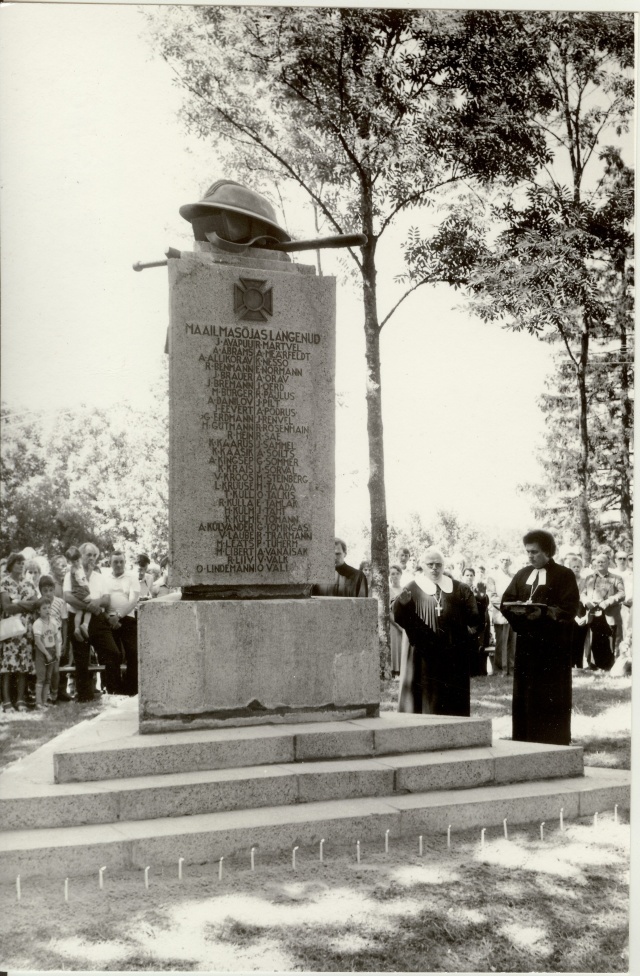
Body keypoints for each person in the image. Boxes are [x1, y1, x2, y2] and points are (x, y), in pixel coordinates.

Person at [501, 529, 579, 746]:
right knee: (526, 693)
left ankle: (552, 739)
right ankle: (524, 738)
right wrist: (520, 614)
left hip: (553, 648)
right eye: (527, 552)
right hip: (527, 644)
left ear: (547, 551)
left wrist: (545, 613)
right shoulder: (522, 574)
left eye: (534, 552)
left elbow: (570, 609)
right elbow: (506, 601)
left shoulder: (564, 575)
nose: (530, 556)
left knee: (550, 694)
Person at [394, 547, 480, 716]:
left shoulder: (458, 587)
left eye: (438, 564)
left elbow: (474, 618)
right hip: (422, 651)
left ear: (443, 566)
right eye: (430, 564)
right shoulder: (412, 586)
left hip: (452, 650)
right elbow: (399, 615)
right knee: (424, 692)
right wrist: (403, 605)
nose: (434, 568)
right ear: (422, 566)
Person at [63, 542, 122, 701]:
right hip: (76, 617)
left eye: (94, 555)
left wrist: (96, 603)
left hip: (97, 620)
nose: (92, 558)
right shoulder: (70, 574)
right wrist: (88, 606)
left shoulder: (99, 577)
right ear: (80, 556)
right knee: (81, 658)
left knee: (113, 653)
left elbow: (106, 599)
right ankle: (84, 696)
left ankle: (112, 692)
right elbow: (68, 597)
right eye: (88, 555)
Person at [0, 552, 42, 712]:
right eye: (18, 562)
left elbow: (35, 605)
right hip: (10, 632)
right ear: (11, 564)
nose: (20, 565)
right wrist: (25, 604)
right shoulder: (4, 583)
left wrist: (17, 602)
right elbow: (7, 608)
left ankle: (20, 700)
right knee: (8, 667)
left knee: (23, 666)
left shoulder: (29, 584)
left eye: (22, 563)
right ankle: (7, 701)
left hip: (26, 631)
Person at [103, 552, 140, 696]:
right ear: (110, 563)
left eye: (121, 562)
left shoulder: (132, 577)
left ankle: (131, 688)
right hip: (108, 619)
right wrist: (109, 618)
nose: (118, 565)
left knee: (133, 652)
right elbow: (101, 598)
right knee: (112, 653)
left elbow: (133, 601)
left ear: (125, 562)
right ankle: (113, 689)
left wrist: (118, 616)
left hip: (127, 618)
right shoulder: (104, 579)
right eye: (115, 562)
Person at [581, 551, 625, 670]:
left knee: (611, 640)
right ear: (594, 563)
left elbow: (622, 594)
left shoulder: (616, 578)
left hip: (609, 614)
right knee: (595, 639)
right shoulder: (589, 578)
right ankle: (593, 665)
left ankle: (610, 666)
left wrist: (608, 602)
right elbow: (582, 593)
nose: (600, 564)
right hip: (593, 613)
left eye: (603, 561)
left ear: (608, 563)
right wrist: (586, 602)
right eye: (598, 562)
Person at [38, 575, 67, 703]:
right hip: (43, 641)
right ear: (40, 591)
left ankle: (54, 695)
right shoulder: (40, 603)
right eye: (45, 590)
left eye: (51, 590)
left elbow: (65, 622)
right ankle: (46, 695)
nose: (48, 593)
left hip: (56, 640)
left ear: (54, 589)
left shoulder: (60, 602)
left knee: (55, 670)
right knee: (45, 670)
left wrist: (65, 641)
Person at [487, 553, 517, 675]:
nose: (505, 562)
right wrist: (505, 608)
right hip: (501, 614)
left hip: (514, 614)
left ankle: (512, 669)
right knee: (501, 643)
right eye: (502, 559)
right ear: (499, 561)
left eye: (507, 560)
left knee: (513, 643)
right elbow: (492, 596)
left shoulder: (514, 576)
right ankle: (500, 670)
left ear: (510, 562)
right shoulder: (492, 577)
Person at [32, 600, 61, 709]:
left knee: (48, 677)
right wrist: (46, 653)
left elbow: (56, 639)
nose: (47, 610)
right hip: (42, 652)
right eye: (44, 608)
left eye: (49, 608)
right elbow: (38, 641)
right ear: (39, 611)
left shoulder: (53, 622)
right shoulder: (38, 623)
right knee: (41, 677)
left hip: (52, 650)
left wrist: (57, 652)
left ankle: (44, 701)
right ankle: (38, 703)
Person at [462, 567, 490, 676]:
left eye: (471, 575)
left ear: (474, 577)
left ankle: (479, 671)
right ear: (463, 576)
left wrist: (482, 597)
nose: (469, 577)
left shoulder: (478, 589)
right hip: (464, 625)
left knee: (478, 649)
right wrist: (466, 626)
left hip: (478, 626)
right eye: (467, 575)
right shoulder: (459, 589)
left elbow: (483, 608)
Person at [564, 554, 588, 669]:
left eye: (578, 566)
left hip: (582, 612)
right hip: (570, 612)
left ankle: (579, 665)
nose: (576, 568)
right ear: (569, 567)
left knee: (580, 639)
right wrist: (575, 617)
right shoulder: (565, 581)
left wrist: (584, 616)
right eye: (574, 566)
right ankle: (570, 665)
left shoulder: (586, 581)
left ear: (582, 567)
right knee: (570, 640)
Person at [65, 546, 92, 641]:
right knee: (91, 605)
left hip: (76, 593)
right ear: (70, 562)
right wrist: (89, 572)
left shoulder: (72, 569)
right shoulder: (77, 570)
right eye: (73, 562)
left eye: (77, 560)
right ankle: (85, 625)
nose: (76, 563)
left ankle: (77, 628)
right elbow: (82, 581)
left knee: (79, 611)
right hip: (82, 592)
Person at [389, 563, 404, 676]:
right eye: (392, 574)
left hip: (404, 623)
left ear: (400, 574)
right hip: (393, 623)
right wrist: (397, 625)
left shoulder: (404, 589)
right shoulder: (388, 590)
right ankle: (394, 670)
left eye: (397, 573)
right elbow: (387, 611)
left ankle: (403, 669)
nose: (395, 576)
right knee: (394, 644)